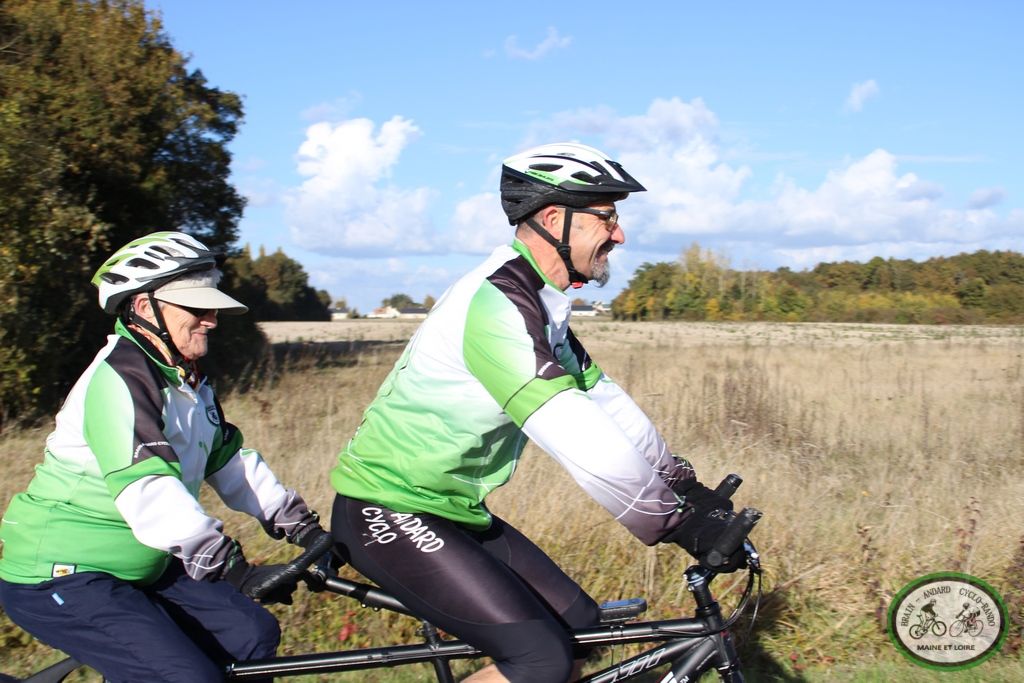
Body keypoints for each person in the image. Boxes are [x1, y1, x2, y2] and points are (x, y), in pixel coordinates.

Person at [329, 142, 743, 683]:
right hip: (386, 509)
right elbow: (575, 434)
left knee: (579, 626)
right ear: (553, 218)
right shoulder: (497, 304)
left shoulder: (541, 302)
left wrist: (685, 487)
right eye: (608, 217)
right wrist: (677, 524)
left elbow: (605, 404)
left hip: (449, 510)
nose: (619, 235)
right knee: (539, 661)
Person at [0, 232, 327, 682]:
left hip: (144, 564)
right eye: (197, 308)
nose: (211, 320)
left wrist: (303, 529)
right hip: (63, 573)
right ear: (142, 308)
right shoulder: (119, 379)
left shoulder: (184, 379)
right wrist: (230, 567)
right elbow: (147, 489)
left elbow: (228, 461)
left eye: (213, 307)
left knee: (251, 635)